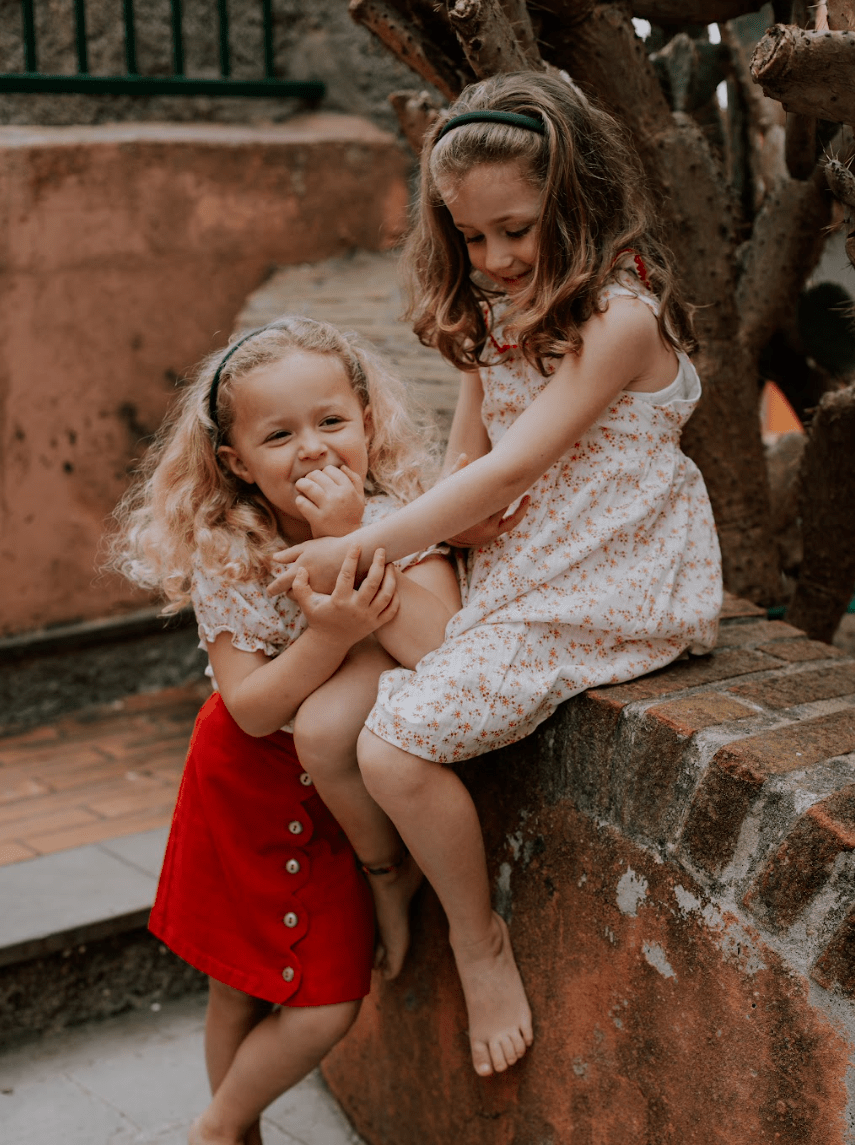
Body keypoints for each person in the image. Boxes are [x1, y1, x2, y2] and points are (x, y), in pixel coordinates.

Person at [274, 71, 723, 1081]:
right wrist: (429, 536)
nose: (494, 258)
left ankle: (480, 946)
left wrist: (360, 548)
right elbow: (470, 466)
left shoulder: (621, 318)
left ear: (578, 202)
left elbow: (515, 468)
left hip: (611, 579)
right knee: (328, 723)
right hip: (521, 565)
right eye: (470, 236)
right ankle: (389, 874)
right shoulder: (494, 312)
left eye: (515, 230)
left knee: (393, 747)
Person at [111, 317, 459, 1145]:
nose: (311, 447)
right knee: (240, 983)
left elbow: (439, 647)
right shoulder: (233, 548)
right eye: (278, 434)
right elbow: (254, 709)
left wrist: (349, 540)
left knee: (327, 999)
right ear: (235, 462)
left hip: (342, 790)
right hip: (249, 787)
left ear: (368, 420)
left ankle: (215, 1124)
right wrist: (332, 633)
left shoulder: (403, 514)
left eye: (331, 421)